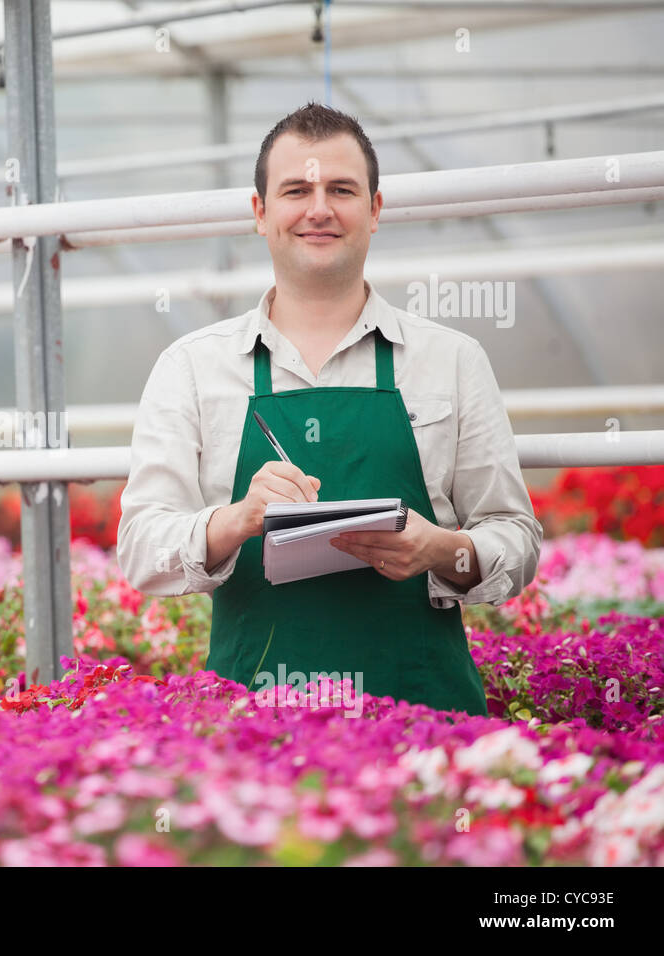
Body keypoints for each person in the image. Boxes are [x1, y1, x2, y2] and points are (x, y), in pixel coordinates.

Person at [116, 102, 542, 716]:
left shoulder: (451, 359)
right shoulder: (192, 367)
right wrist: (236, 520)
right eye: (296, 190)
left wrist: (442, 550)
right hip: (252, 724)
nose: (319, 209)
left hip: (426, 721)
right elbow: (140, 549)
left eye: (341, 189)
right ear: (260, 213)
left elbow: (516, 536)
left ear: (374, 210)